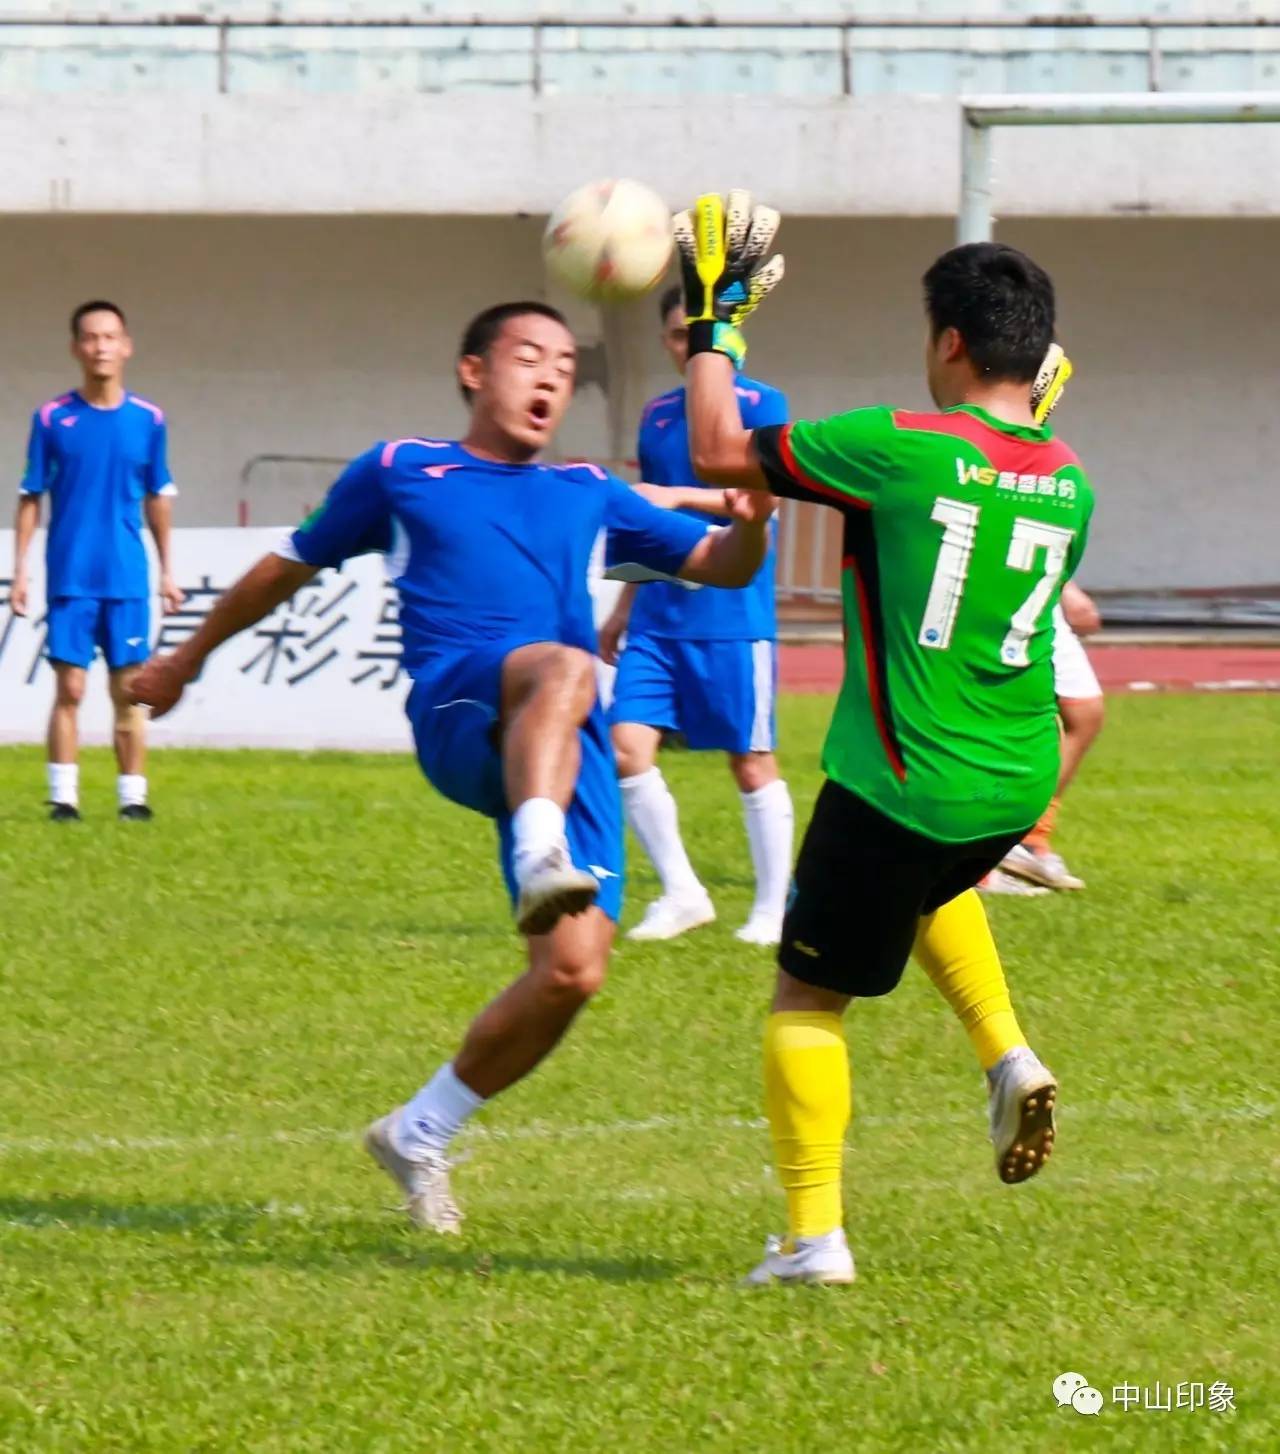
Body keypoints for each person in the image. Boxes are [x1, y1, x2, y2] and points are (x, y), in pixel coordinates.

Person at [130, 301, 773, 1235]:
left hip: (564, 741)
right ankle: (538, 851)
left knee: (574, 970)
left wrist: (751, 523)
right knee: (566, 663)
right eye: (527, 357)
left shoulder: (588, 487)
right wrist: (187, 659)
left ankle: (419, 1129)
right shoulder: (402, 470)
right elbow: (287, 566)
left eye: (563, 363)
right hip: (462, 707)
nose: (550, 377)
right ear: (472, 370)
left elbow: (718, 562)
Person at [673, 191, 1095, 1285]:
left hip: (900, 781)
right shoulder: (1070, 479)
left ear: (947, 342)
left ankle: (811, 1236)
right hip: (1013, 784)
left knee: (805, 999)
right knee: (926, 884)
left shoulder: (896, 444)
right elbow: (1007, 466)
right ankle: (1005, 1052)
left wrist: (713, 318)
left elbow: (719, 444)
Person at [599, 285, 794, 945]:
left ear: (732, 338)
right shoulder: (656, 415)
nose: (692, 347)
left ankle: (773, 909)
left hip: (734, 613)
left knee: (750, 760)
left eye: (703, 334)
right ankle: (683, 893)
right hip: (658, 615)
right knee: (626, 749)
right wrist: (622, 606)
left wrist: (673, 493)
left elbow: (759, 500)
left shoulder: (762, 405)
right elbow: (649, 528)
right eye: (681, 335)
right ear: (667, 342)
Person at [11, 300, 182, 821]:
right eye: (90, 338)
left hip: (127, 577)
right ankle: (64, 797)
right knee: (71, 686)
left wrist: (167, 571)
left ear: (126, 346)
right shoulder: (51, 418)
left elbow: (158, 495)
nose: (100, 347)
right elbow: (30, 495)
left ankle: (133, 798)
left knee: (129, 691)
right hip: (71, 576)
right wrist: (21, 569)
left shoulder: (148, 420)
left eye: (110, 337)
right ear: (75, 348)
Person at [991, 580, 1105, 892]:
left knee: (1083, 713)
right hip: (1000, 580)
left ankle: (1026, 841)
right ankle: (989, 855)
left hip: (1034, 580)